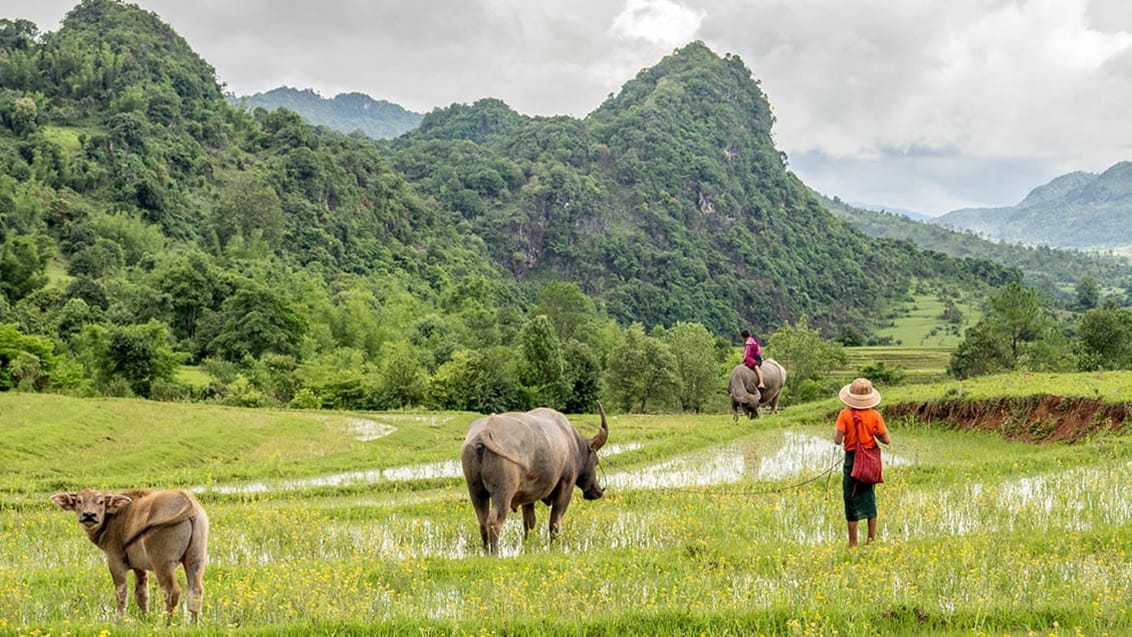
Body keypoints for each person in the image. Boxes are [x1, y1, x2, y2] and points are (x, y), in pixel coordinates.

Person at [834, 377, 891, 548]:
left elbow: (837, 440)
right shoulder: (875, 415)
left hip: (852, 460)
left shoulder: (844, 414)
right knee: (869, 498)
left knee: (851, 498)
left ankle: (853, 543)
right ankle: (871, 540)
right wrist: (873, 433)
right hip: (869, 460)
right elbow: (886, 440)